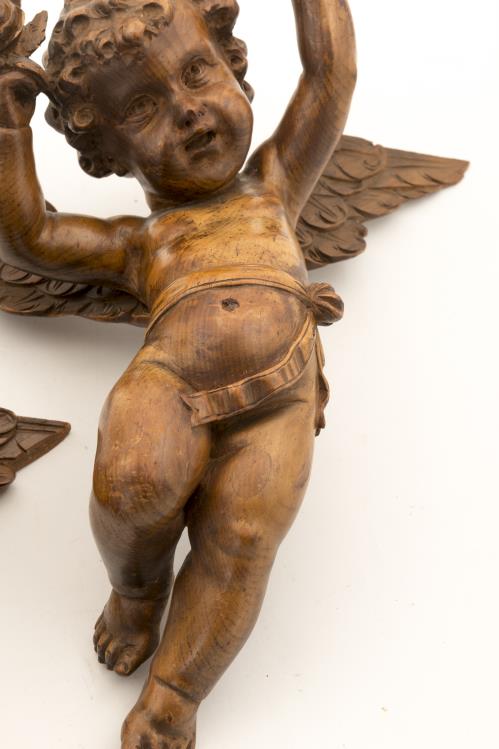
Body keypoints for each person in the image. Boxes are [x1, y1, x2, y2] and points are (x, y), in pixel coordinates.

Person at [0, 1, 356, 746]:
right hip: (169, 380)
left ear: (233, 67)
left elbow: (330, 74)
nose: (188, 110)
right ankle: (136, 592)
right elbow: (30, 235)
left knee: (244, 537)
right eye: (142, 107)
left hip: (279, 394)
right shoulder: (141, 242)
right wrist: (8, 130)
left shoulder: (274, 187)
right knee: (132, 485)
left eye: (198, 71)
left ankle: (173, 696)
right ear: (108, 149)